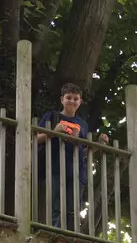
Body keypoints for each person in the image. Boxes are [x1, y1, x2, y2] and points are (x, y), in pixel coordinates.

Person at [37, 82, 107, 232]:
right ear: (62, 99)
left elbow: (84, 152)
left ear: (80, 102)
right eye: (69, 98)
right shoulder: (51, 116)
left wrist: (98, 144)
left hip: (76, 170)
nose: (72, 101)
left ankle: (71, 235)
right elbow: (35, 139)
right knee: (56, 204)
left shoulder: (82, 124)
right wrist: (54, 131)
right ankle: (55, 232)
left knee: (73, 207)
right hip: (54, 166)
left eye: (76, 99)